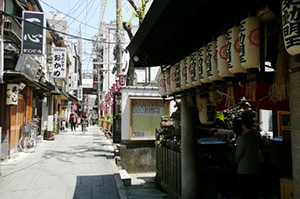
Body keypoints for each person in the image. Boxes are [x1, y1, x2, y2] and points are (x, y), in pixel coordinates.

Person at [235, 110, 260, 199]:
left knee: (244, 192)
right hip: (254, 167)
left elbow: (239, 153)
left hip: (244, 168)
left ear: (244, 125)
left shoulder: (243, 137)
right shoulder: (255, 136)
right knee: (253, 192)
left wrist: (235, 160)